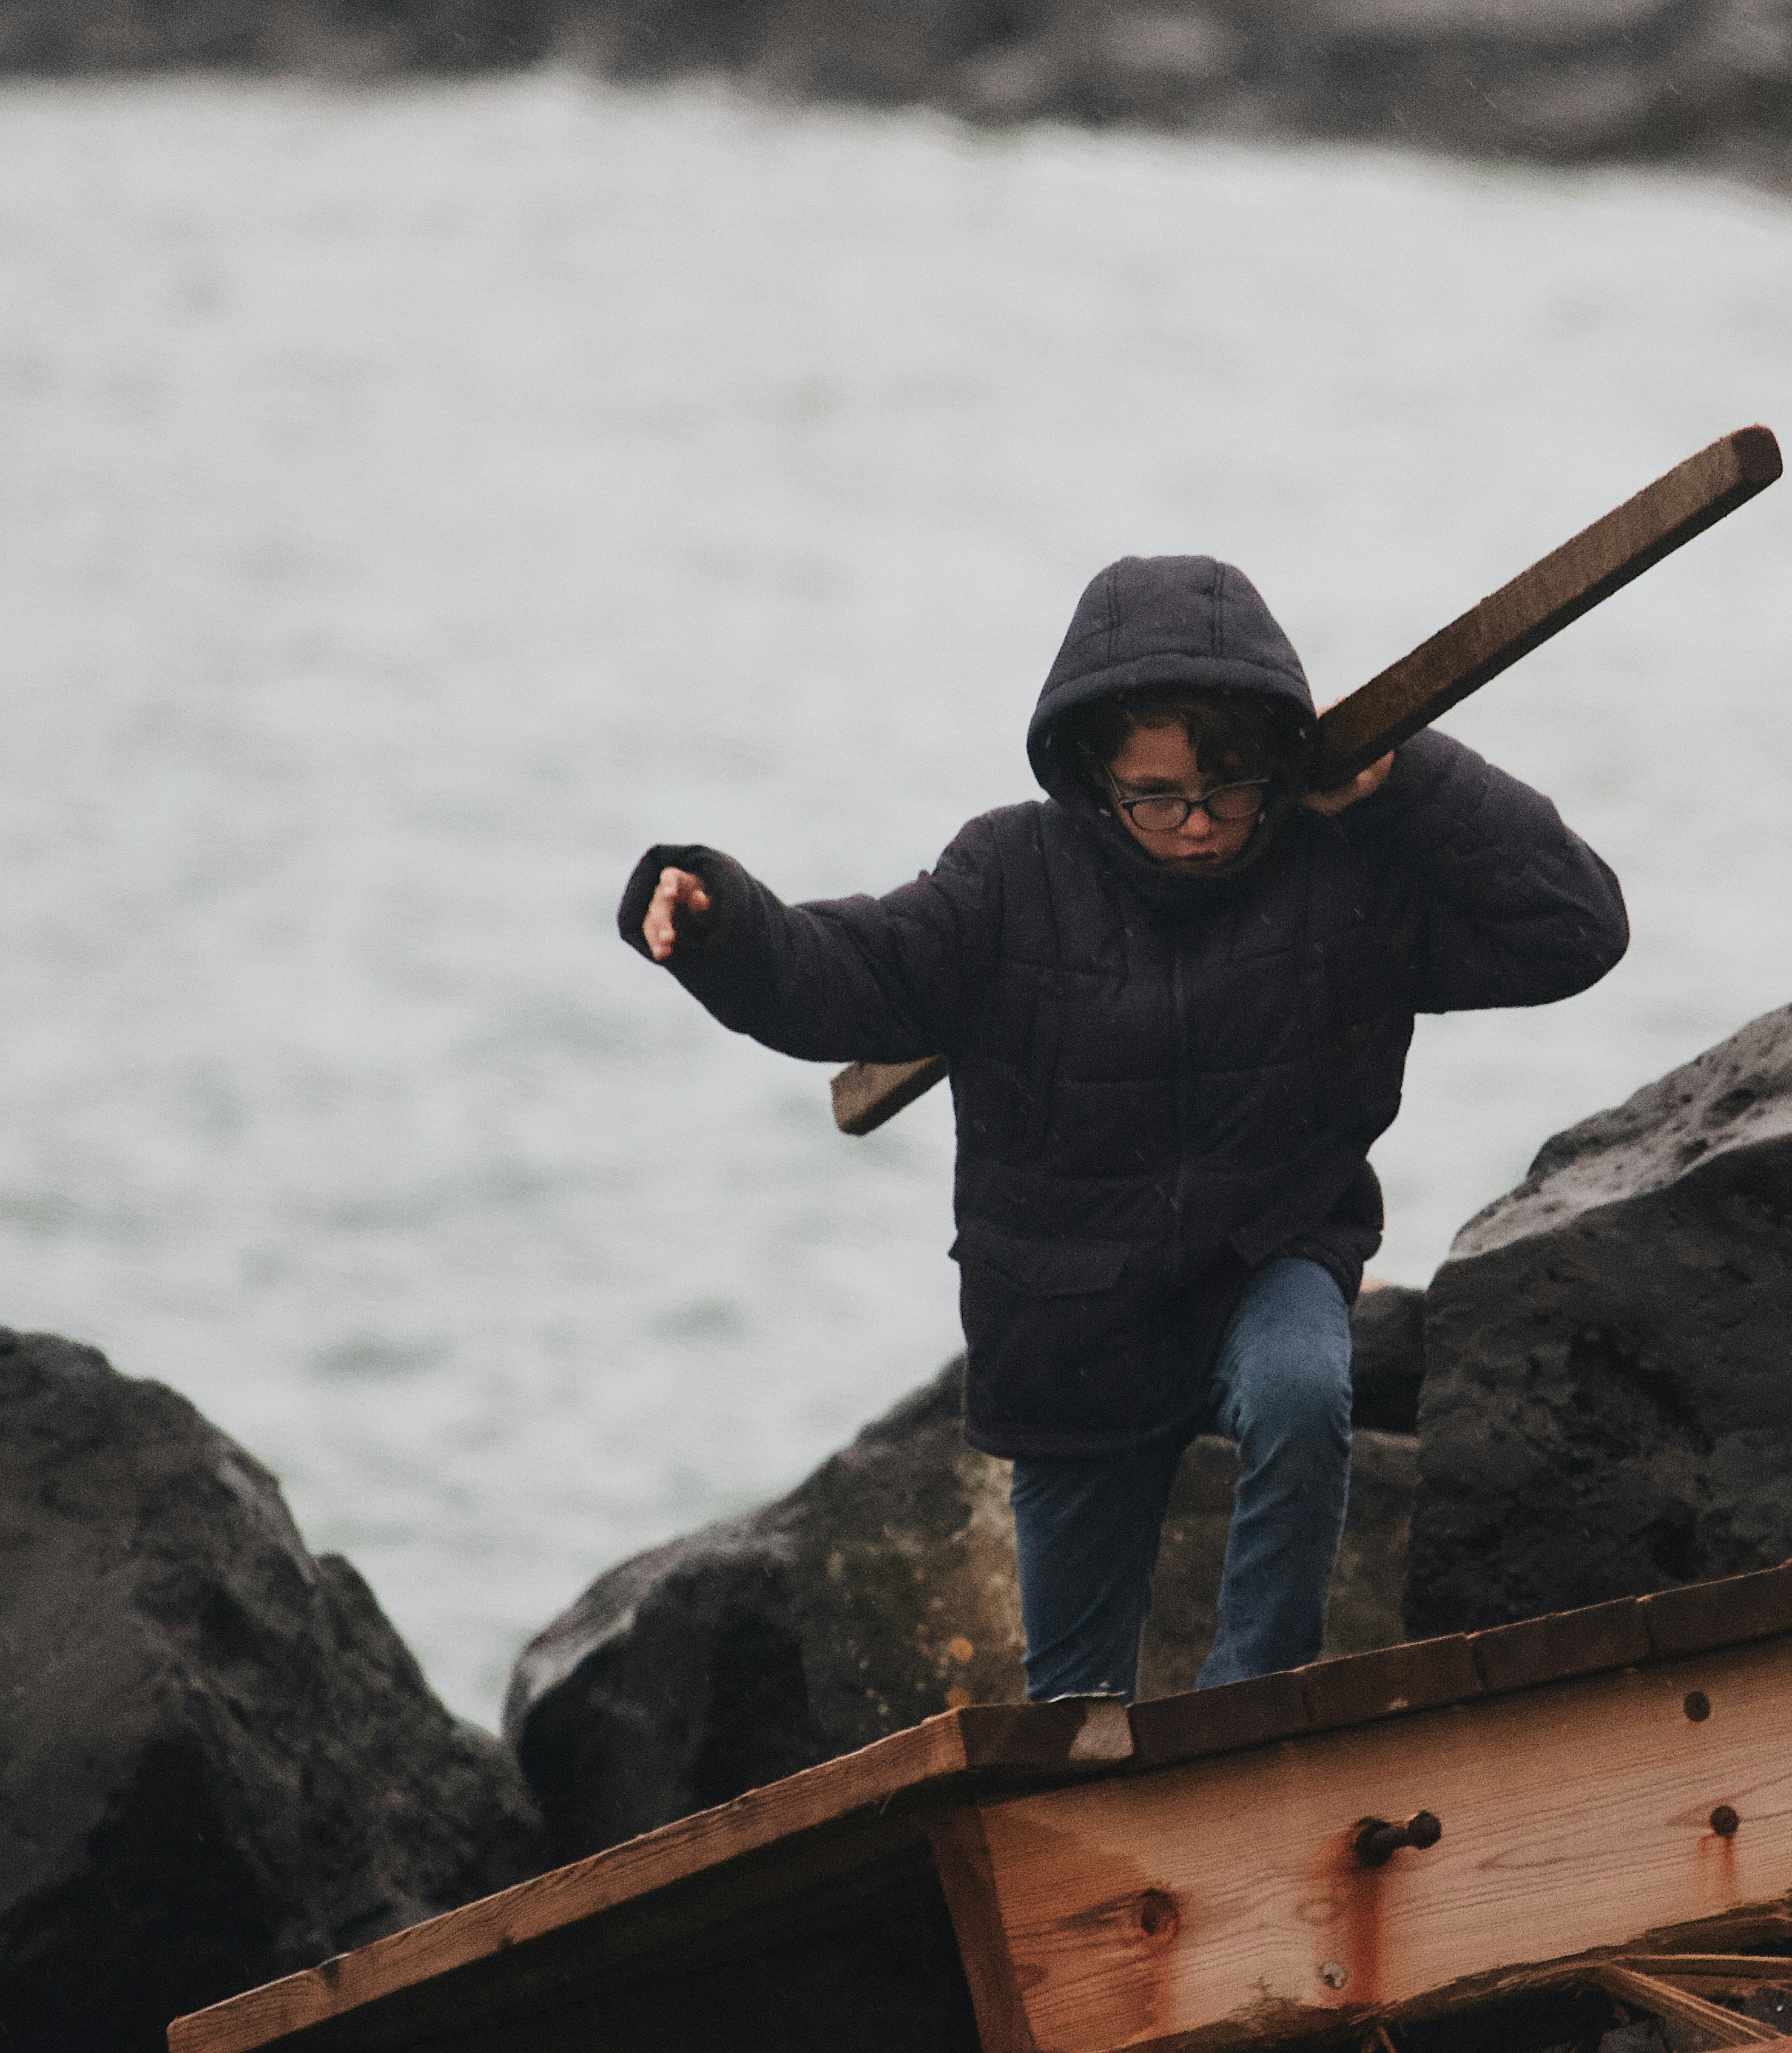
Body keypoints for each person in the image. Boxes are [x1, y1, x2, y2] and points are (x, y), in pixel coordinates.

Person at [618, 555, 1626, 1700]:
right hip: (1069, 1317)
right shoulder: (1007, 878)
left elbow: (1575, 932)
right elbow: (841, 975)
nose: (1198, 827)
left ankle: (1251, 1704)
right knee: (1074, 1713)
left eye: (1229, 790)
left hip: (1270, 1252)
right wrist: (718, 922)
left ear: (1278, 766)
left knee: (1302, 1392)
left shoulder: (1342, 872)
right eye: (1158, 798)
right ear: (1096, 774)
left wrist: (1410, 780)